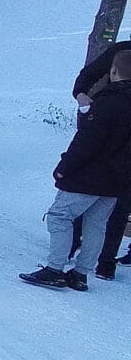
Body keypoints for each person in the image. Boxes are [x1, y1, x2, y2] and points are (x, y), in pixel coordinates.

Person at [20, 50, 131, 291]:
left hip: (88, 176)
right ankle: (80, 274)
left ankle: (55, 269)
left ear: (113, 72)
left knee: (60, 216)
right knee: (97, 224)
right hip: (117, 181)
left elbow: (87, 141)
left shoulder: (108, 102)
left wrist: (64, 168)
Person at [67, 40, 131, 278]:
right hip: (111, 126)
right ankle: (82, 251)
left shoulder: (120, 51)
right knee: (99, 193)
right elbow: (89, 75)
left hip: (112, 130)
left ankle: (103, 261)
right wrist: (82, 95)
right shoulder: (121, 51)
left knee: (113, 198)